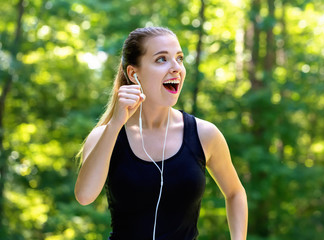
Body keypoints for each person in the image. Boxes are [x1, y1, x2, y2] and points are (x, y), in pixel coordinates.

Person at [74, 26, 247, 240]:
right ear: (133, 74)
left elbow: (235, 193)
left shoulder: (205, 134)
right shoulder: (106, 135)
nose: (176, 68)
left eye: (180, 58)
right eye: (161, 59)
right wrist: (116, 123)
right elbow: (84, 196)